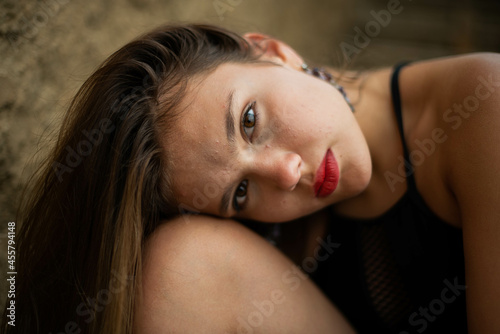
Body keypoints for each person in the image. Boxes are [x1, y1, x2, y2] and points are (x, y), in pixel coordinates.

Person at [2, 23, 499, 334]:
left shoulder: (483, 104)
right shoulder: (242, 247)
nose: (285, 176)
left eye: (248, 121)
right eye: (240, 193)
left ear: (272, 51)